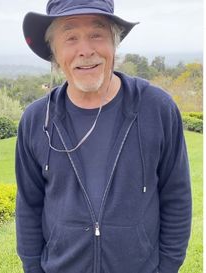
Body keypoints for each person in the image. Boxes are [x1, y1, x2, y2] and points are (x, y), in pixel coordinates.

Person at [15, 0, 192, 272]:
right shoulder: (36, 120)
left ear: (114, 43)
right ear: (54, 51)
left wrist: (166, 268)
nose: (85, 51)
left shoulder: (157, 109)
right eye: (70, 37)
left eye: (97, 34)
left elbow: (176, 196)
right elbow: (29, 206)